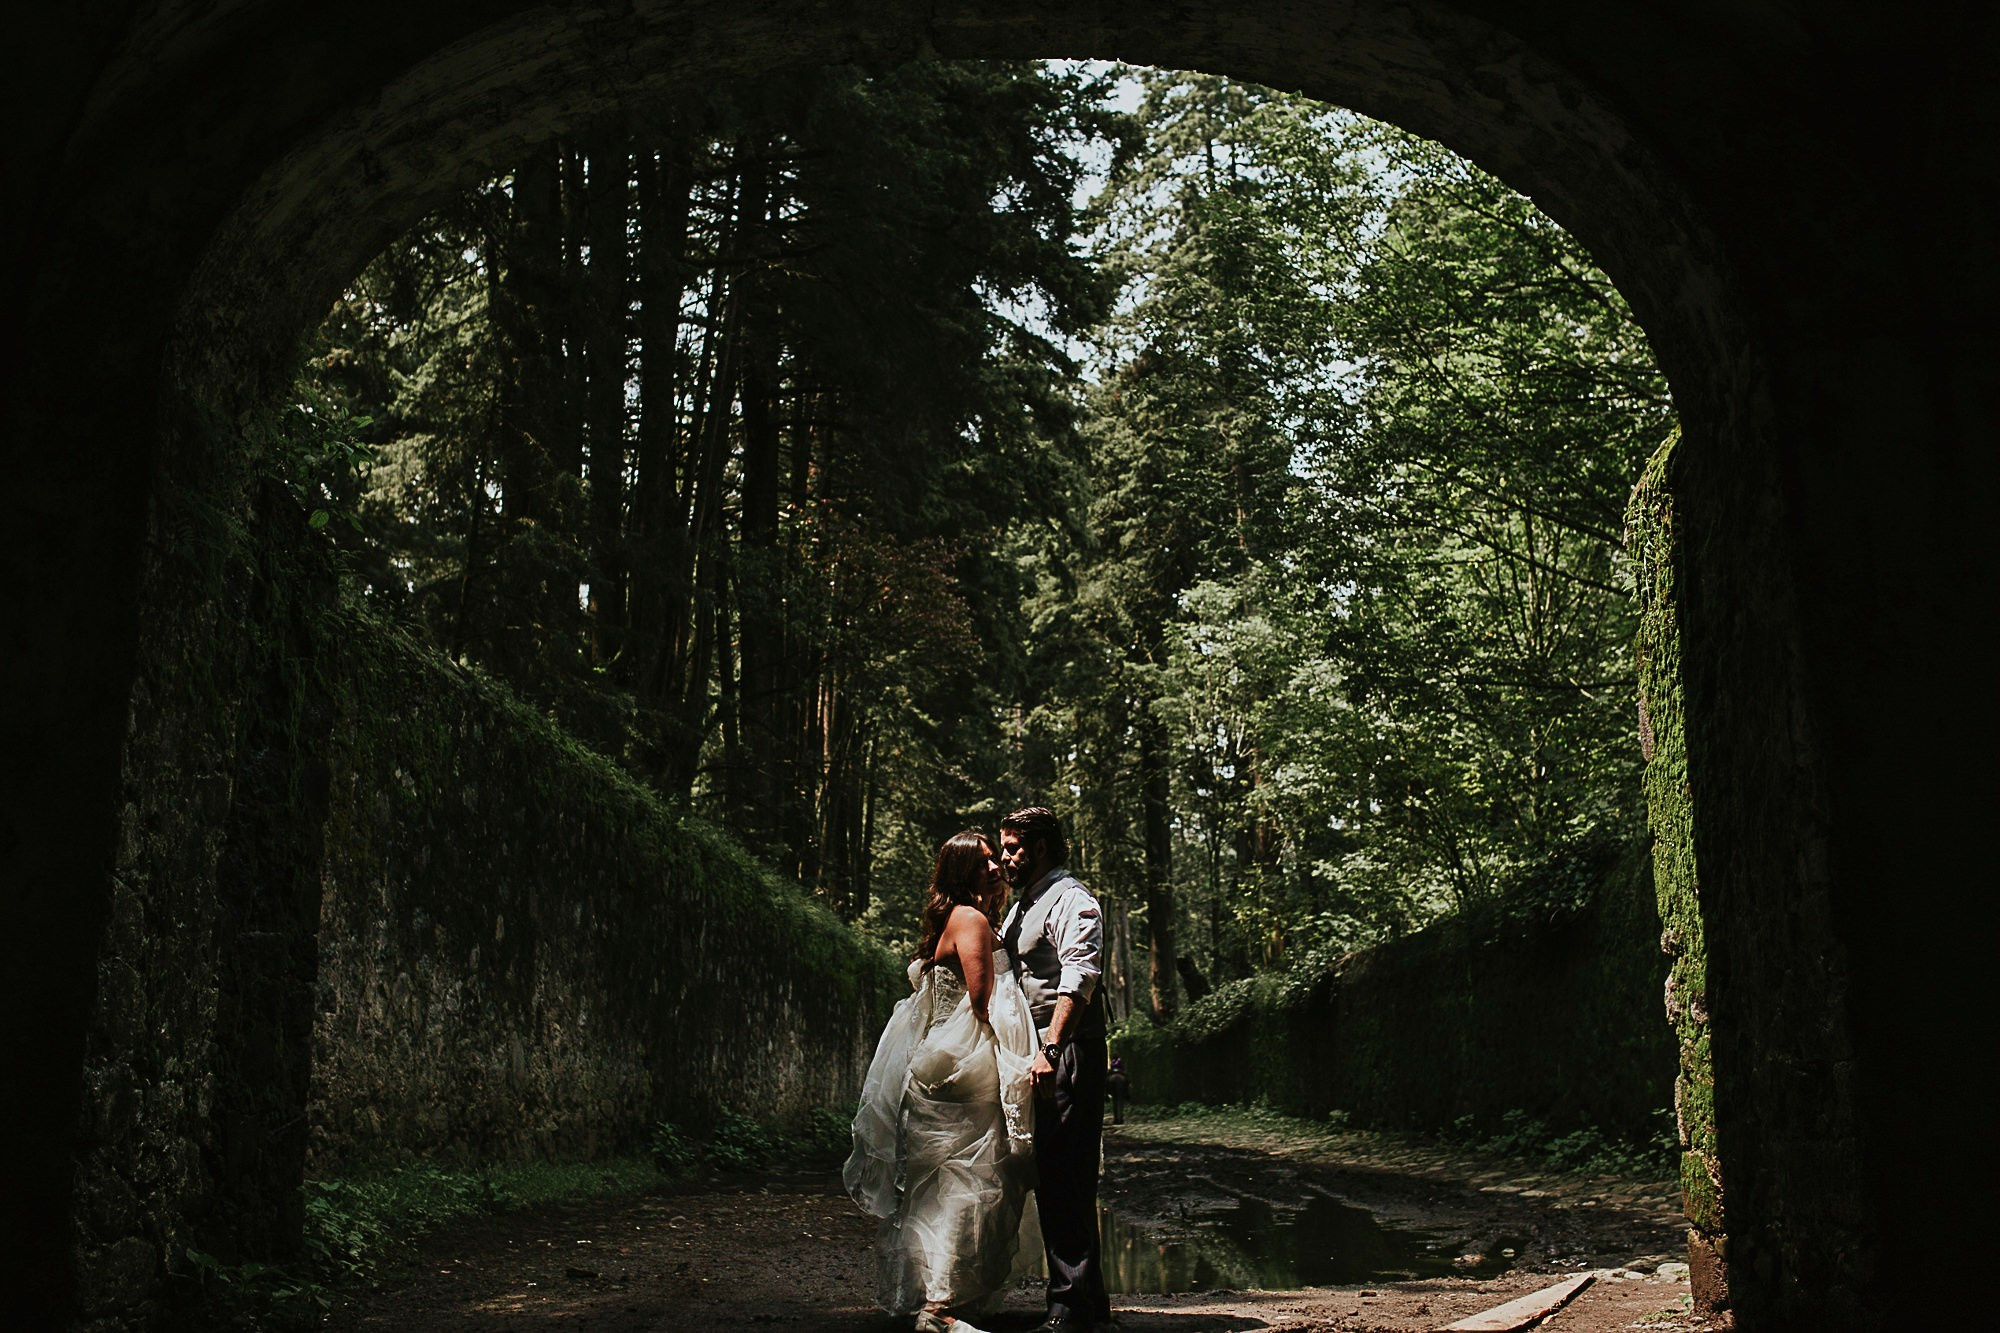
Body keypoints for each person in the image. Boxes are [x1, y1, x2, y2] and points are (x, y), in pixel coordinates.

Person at [846, 831, 1039, 1333]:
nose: (996, 868)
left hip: (942, 1062)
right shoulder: (972, 919)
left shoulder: (957, 918)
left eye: (996, 860)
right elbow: (983, 1002)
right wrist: (1018, 1060)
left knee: (943, 1188)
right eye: (984, 864)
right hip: (964, 1066)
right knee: (968, 1185)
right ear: (961, 873)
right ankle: (940, 1307)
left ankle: (941, 1298)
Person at [999, 805, 1114, 1332]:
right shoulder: (1024, 904)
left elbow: (1079, 977)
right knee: (1054, 1174)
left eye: (1013, 847)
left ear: (1040, 847)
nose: (1004, 857)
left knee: (1066, 1174)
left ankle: (1068, 1307)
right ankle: (1085, 1302)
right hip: (1042, 1052)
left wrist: (1050, 1047)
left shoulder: (1071, 900)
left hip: (1064, 1052)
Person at [1106, 1057, 1131, 1126]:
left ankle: (1105, 1094)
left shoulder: (1113, 1061)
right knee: (1127, 1081)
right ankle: (1120, 1118)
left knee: (1115, 1101)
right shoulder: (1120, 1061)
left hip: (1112, 1075)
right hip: (1121, 1074)